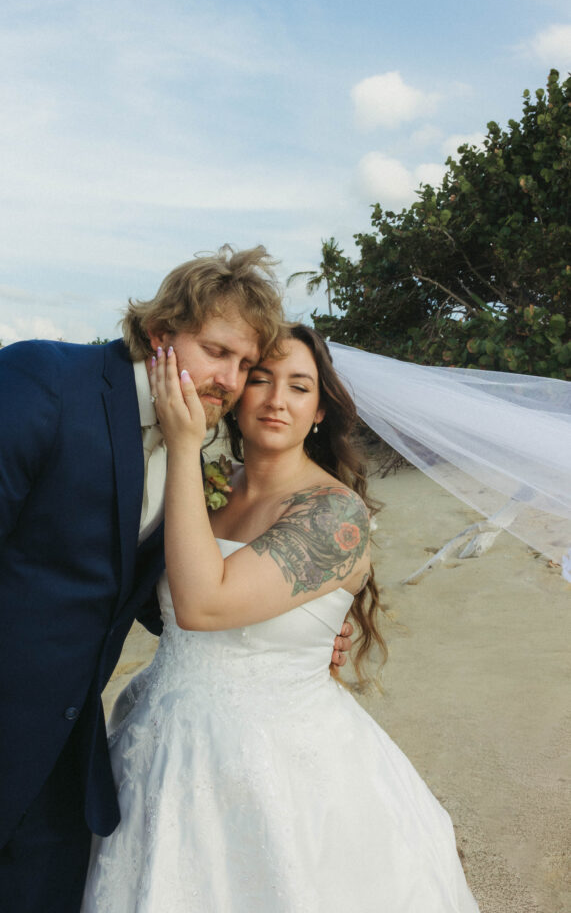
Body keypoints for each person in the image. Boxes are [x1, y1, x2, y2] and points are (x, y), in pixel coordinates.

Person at [0, 247, 351, 912]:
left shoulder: (190, 444)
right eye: (216, 351)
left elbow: (132, 587)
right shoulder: (34, 385)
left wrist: (288, 629)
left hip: (65, 775)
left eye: (245, 364)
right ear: (160, 332)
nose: (229, 380)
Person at [82, 324, 480, 912]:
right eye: (261, 380)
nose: (275, 400)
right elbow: (148, 592)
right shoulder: (212, 487)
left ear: (319, 411)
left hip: (279, 763)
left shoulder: (335, 515)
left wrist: (185, 446)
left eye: (299, 386)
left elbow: (202, 605)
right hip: (159, 742)